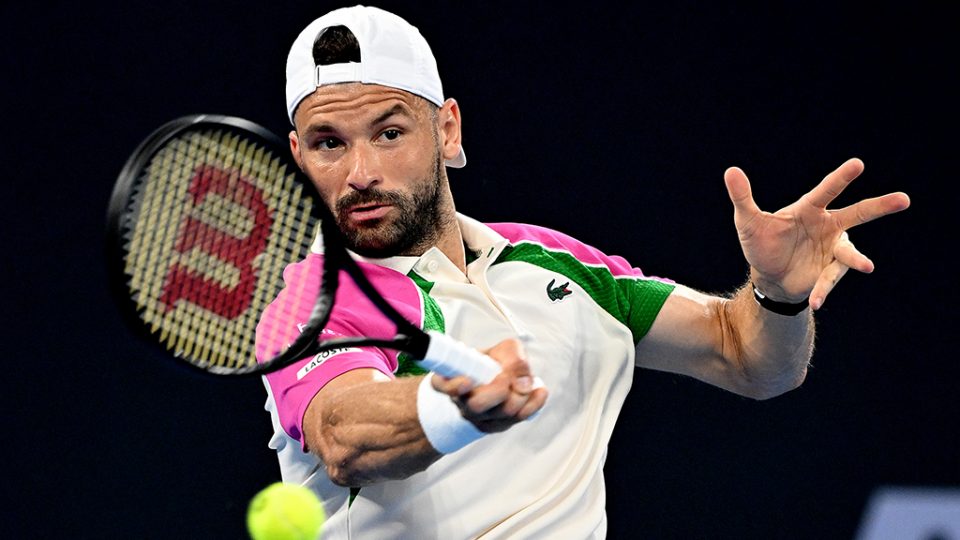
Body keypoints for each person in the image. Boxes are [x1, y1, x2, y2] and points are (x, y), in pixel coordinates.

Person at [256, 5, 910, 538]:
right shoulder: (310, 302)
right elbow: (344, 435)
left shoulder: (551, 260)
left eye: (389, 133)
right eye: (329, 144)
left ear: (448, 130)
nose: (360, 172)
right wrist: (452, 409)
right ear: (297, 154)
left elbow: (748, 358)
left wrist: (777, 295)